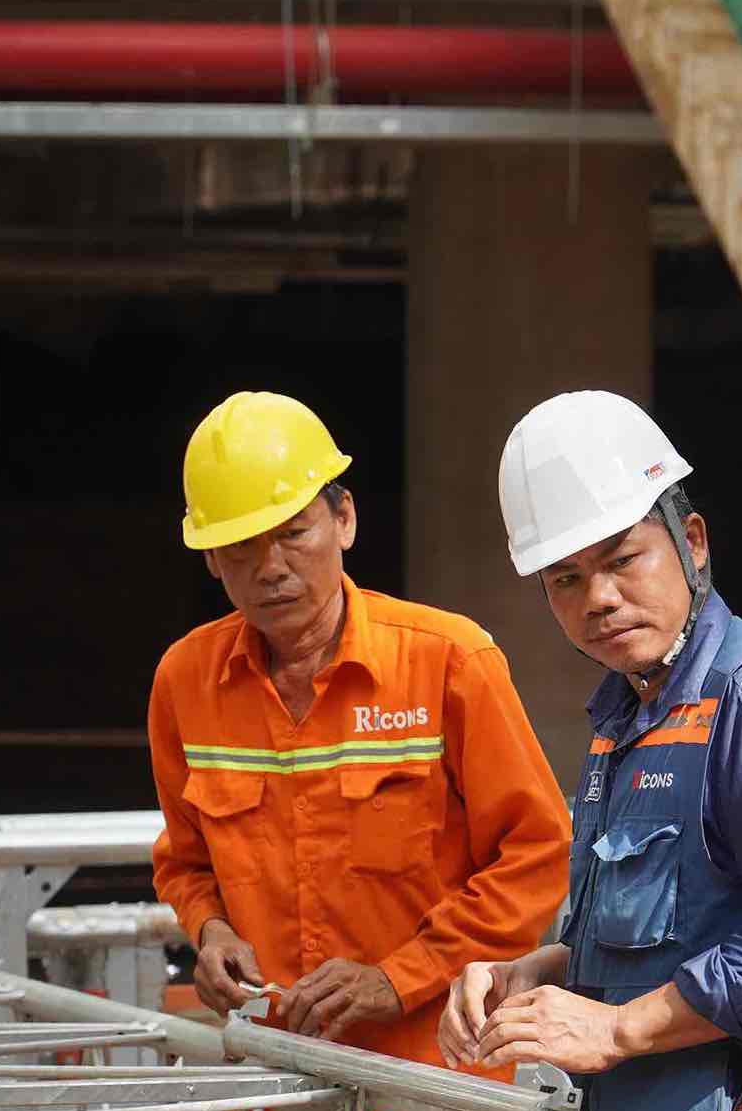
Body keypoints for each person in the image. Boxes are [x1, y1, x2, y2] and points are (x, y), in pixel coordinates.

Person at [437, 391, 742, 1111]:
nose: (597, 598)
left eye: (621, 559)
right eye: (565, 578)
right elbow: (675, 929)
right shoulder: (627, 717)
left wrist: (617, 1029)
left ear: (692, 541)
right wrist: (536, 972)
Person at [148, 391, 570, 1073]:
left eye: (292, 532)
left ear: (344, 519)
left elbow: (537, 854)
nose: (271, 567)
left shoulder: (449, 661)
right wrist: (211, 929)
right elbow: (186, 859)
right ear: (209, 559)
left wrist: (399, 978)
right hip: (276, 1086)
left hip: (438, 1085)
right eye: (241, 547)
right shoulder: (184, 681)